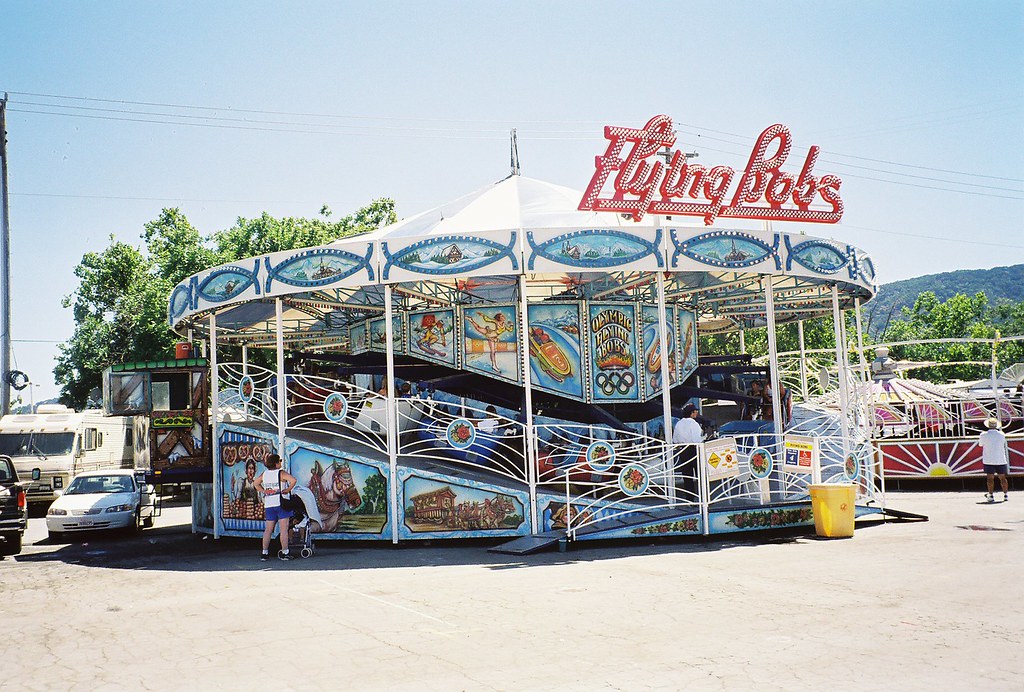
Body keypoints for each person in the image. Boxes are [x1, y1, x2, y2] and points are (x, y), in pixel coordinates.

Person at [254, 453, 298, 560]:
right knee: (284, 529)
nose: (281, 463)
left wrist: (264, 491)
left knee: (268, 529)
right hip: (281, 503)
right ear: (276, 463)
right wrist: (287, 490)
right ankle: (285, 552)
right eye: (280, 461)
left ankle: (264, 553)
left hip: (269, 504)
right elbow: (293, 480)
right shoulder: (281, 473)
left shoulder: (265, 474)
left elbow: (256, 483)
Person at [672, 403, 703, 496]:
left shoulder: (678, 423)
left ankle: (690, 498)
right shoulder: (694, 424)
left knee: (687, 476)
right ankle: (703, 496)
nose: (696, 413)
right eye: (695, 411)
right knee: (699, 474)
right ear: (691, 413)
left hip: (683, 450)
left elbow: (675, 439)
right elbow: (696, 439)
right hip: (693, 449)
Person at [978, 418, 1010, 502]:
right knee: (1003, 478)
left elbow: (980, 444)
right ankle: (1005, 494)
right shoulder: (1001, 434)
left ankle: (991, 495)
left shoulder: (983, 435)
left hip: (989, 459)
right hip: (1000, 458)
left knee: (990, 479)